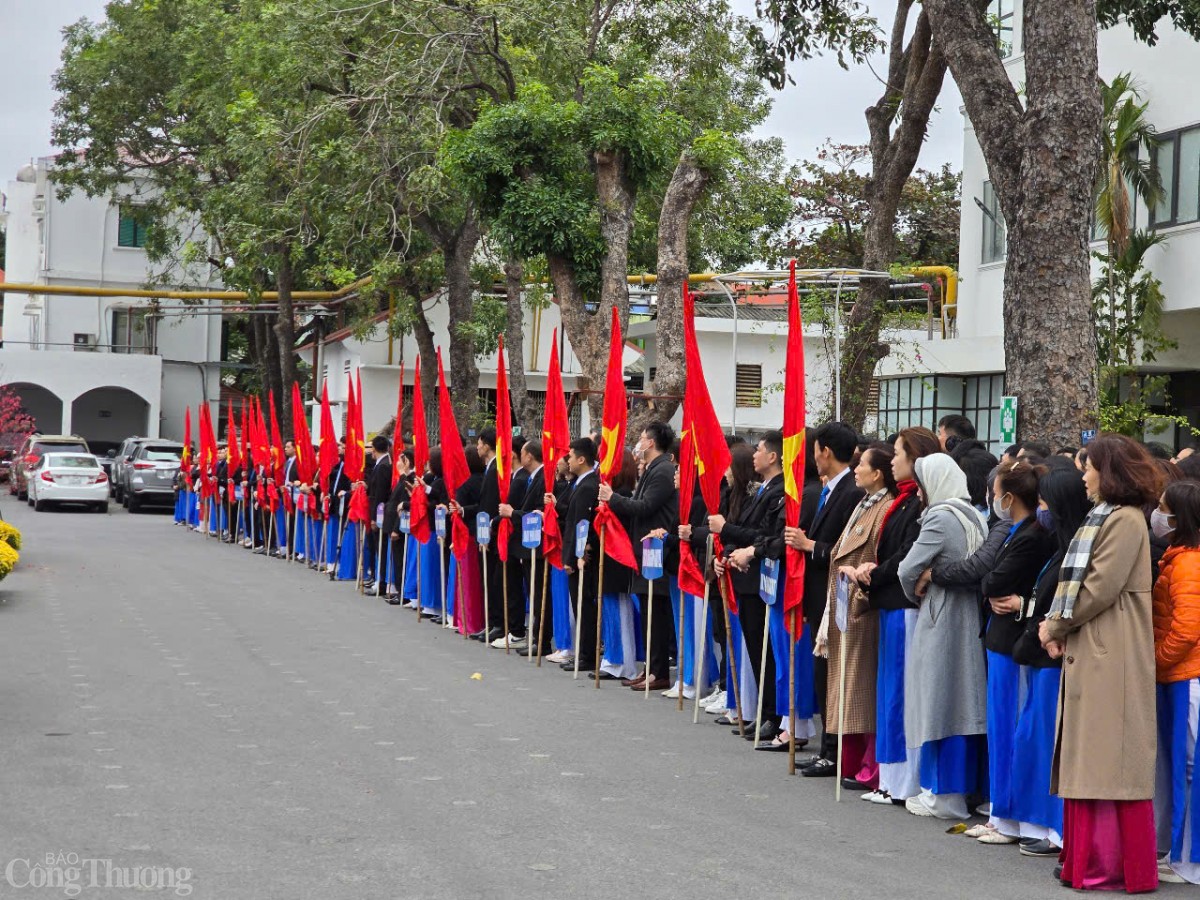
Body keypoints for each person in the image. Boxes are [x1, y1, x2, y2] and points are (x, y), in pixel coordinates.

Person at [1039, 433, 1159, 893]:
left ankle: (1108, 865)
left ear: (1110, 472)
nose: (1083, 473)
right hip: (1093, 647)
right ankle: (1089, 861)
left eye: (1089, 466)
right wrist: (1055, 624)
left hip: (1112, 652)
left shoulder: (1125, 519)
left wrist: (1055, 626)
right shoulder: (1106, 515)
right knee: (1093, 760)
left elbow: (1098, 588)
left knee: (1109, 764)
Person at [965, 459, 1056, 846]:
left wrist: (998, 587)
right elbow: (990, 577)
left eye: (996, 490)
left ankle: (1010, 813)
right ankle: (1002, 811)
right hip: (998, 635)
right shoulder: (1013, 530)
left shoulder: (1032, 534)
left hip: (1012, 640)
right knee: (1001, 728)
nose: (992, 496)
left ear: (1009, 496)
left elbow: (993, 579)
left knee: (1009, 729)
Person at [1007, 463, 1092, 857]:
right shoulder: (1060, 544)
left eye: (1045, 500)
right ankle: (1038, 821)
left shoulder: (1078, 549)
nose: (1039, 506)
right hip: (1040, 656)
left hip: (1055, 659)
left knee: (1046, 744)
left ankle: (1055, 827)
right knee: (1033, 739)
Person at [898, 453, 988, 819]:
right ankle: (960, 792)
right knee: (964, 703)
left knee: (939, 702)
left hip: (942, 615)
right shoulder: (973, 514)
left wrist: (916, 590)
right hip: (970, 616)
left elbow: (907, 569)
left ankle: (941, 795)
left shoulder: (939, 516)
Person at [856, 426, 939, 805]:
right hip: (889, 604)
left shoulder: (922, 504)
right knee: (889, 691)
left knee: (902, 695)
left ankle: (904, 780)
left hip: (905, 606)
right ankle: (888, 777)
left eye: (898, 453)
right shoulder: (903, 500)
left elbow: (909, 555)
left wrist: (876, 570)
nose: (892, 460)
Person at [815, 442, 897, 790]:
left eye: (862, 464)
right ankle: (850, 759)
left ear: (877, 473)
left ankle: (869, 764)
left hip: (861, 605)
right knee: (847, 684)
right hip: (843, 603)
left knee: (862, 687)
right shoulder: (864, 504)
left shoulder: (886, 507)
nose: (856, 468)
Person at [784, 421, 865, 774]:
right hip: (818, 595)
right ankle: (828, 747)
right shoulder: (829, 489)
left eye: (815, 450)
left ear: (825, 452)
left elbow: (853, 550)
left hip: (838, 595)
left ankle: (833, 750)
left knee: (833, 673)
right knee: (822, 673)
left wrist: (811, 546)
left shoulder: (850, 492)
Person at [714, 431, 789, 743]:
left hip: (760, 578)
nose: (755, 455)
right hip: (745, 575)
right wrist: (727, 554)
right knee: (757, 651)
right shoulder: (763, 490)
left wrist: (726, 530)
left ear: (773, 456)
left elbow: (759, 533)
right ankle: (764, 710)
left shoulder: (778, 491)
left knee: (765, 653)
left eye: (759, 450)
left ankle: (772, 714)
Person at [1153, 480, 1200, 884]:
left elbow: (1186, 630)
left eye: (1164, 508)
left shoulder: (1187, 563)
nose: (1158, 515)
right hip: (1178, 674)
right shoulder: (1178, 556)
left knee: (1188, 766)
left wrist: (1156, 660)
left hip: (1184, 676)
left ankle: (1186, 858)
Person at [550, 438, 600, 672]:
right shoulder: (580, 483)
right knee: (579, 607)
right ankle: (583, 652)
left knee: (584, 607)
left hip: (582, 558)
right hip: (575, 552)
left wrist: (572, 558)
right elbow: (569, 517)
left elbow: (581, 525)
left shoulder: (589, 484)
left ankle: (587, 656)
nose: (567, 460)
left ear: (581, 459)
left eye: (570, 456)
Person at [362, 436, 392, 591]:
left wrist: (374, 518)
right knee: (375, 546)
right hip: (376, 510)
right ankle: (377, 577)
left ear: (374, 448)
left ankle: (381, 582)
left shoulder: (384, 466)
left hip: (379, 512)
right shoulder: (380, 465)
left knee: (380, 547)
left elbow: (380, 494)